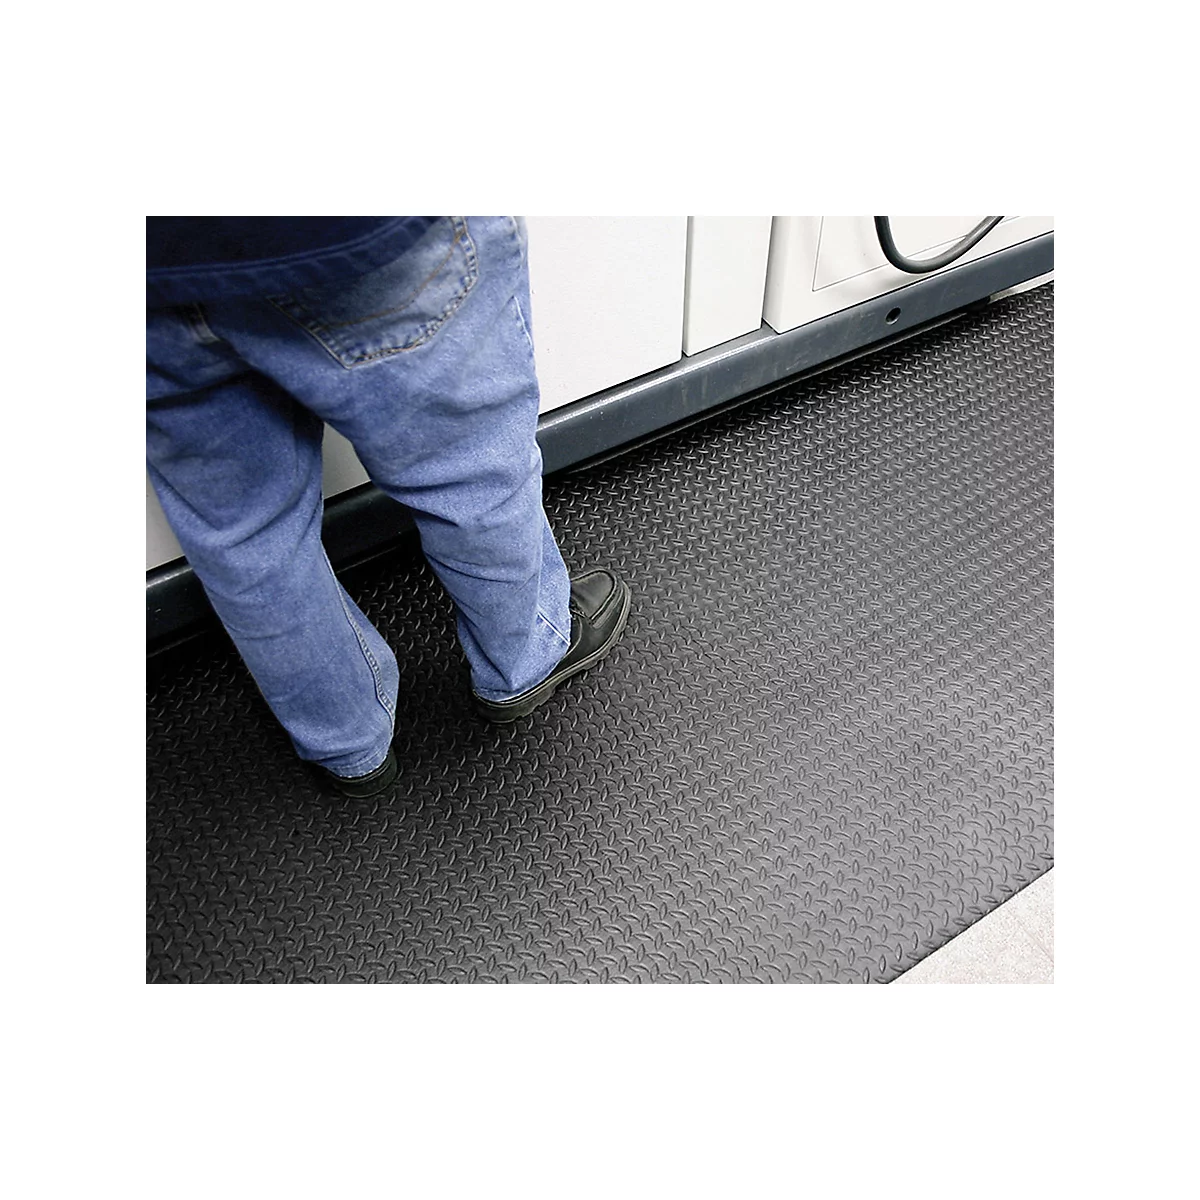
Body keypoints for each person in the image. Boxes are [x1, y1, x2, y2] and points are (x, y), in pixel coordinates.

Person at [146, 216, 631, 798]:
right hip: (335, 231)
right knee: (468, 470)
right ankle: (524, 661)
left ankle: (348, 743)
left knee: (244, 535)